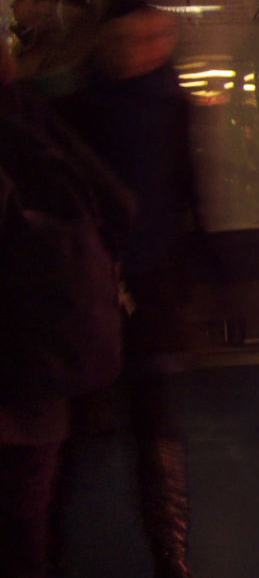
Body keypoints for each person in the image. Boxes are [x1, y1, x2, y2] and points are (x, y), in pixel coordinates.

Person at [60, 0, 201, 578]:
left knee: (147, 416)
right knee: (91, 415)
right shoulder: (85, 108)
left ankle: (167, 551)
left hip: (138, 277)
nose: (148, 50)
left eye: (156, 39)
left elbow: (185, 189)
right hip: (99, 280)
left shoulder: (140, 103)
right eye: (138, 39)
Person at [0, 42, 133, 578]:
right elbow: (118, 205)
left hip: (20, 348)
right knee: (29, 500)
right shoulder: (33, 120)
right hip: (45, 348)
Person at [8, 0, 64, 84]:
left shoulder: (55, 46)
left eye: (20, 0)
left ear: (45, 6)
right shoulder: (25, 42)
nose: (12, 5)